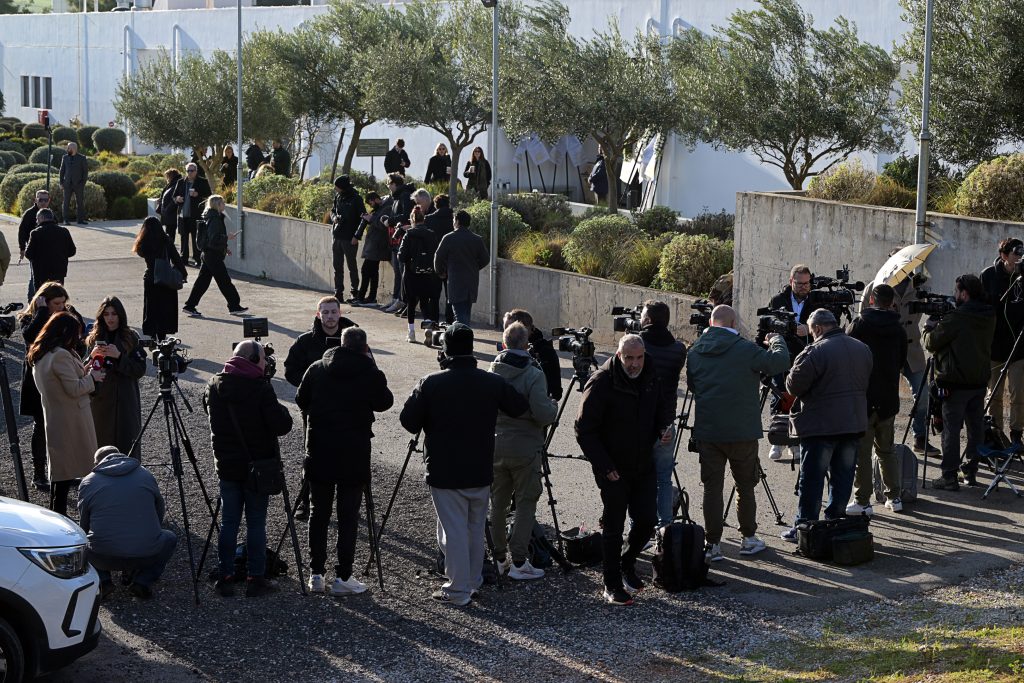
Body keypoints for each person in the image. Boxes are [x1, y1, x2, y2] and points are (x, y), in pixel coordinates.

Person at [399, 324, 528, 606]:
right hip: (480, 467)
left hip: (445, 469)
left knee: (454, 528)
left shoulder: (431, 383)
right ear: (471, 348)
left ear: (445, 350)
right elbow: (518, 407)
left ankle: (457, 588)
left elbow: (408, 421)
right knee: (472, 525)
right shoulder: (489, 381)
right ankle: (471, 581)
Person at [575, 334, 673, 606]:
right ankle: (611, 583)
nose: (634, 363)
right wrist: (605, 466)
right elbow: (584, 430)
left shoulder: (651, 373)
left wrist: (663, 427)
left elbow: (662, 406)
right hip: (612, 467)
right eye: (629, 358)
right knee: (614, 523)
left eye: (639, 357)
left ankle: (626, 563)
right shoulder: (602, 381)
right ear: (618, 355)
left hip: (643, 461)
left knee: (646, 519)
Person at [687, 305, 789, 561]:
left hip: (709, 430)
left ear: (711, 322)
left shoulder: (695, 351)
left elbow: (692, 385)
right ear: (733, 322)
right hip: (742, 430)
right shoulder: (744, 349)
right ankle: (748, 538)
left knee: (712, 488)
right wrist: (776, 339)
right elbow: (779, 362)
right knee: (745, 486)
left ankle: (713, 544)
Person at [295, 327, 393, 595]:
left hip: (319, 450)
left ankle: (316, 574)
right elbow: (385, 402)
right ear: (365, 348)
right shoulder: (369, 372)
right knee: (348, 516)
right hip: (354, 453)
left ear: (340, 343)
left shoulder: (317, 368)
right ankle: (344, 576)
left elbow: (300, 399)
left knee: (318, 514)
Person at [204, 340, 293, 598]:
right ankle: (256, 578)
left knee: (229, 522)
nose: (266, 363)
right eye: (263, 358)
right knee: (256, 523)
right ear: (253, 361)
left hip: (227, 466)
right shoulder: (260, 388)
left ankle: (226, 576)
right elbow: (282, 425)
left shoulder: (214, 385)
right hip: (258, 467)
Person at [781, 309, 872, 541]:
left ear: (818, 329)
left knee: (812, 479)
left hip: (821, 426)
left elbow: (793, 386)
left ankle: (805, 526)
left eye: (812, 331)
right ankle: (835, 521)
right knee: (843, 477)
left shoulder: (814, 351)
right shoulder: (861, 348)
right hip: (853, 423)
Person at [488, 322, 558, 580]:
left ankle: (498, 557)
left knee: (498, 502)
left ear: (504, 344)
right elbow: (542, 414)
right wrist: (552, 408)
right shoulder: (533, 373)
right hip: (526, 445)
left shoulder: (492, 370)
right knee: (526, 502)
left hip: (495, 443)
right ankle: (518, 560)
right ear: (526, 344)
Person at [283, 296, 357, 520]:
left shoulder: (353, 339)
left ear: (340, 312)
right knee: (312, 457)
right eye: (325, 312)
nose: (330, 317)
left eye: (333, 312)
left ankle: (349, 502)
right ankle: (306, 502)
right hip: (315, 411)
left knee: (348, 456)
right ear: (318, 315)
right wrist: (311, 389)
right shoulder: (305, 342)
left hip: (347, 412)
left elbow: (367, 368)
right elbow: (290, 370)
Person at [924, 274, 996, 490]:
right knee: (976, 430)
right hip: (979, 381)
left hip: (954, 383)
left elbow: (932, 343)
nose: (954, 296)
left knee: (951, 431)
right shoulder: (989, 314)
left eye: (956, 292)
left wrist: (929, 327)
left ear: (964, 293)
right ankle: (971, 472)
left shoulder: (957, 317)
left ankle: (949, 476)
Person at [78, 446, 177, 600]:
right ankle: (142, 581)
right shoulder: (145, 475)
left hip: (103, 556)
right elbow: (159, 512)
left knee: (81, 542)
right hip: (146, 552)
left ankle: (104, 581)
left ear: (98, 462)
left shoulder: (89, 481)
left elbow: (83, 525)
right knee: (169, 538)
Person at [29, 311, 103, 516]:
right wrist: (94, 377)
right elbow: (74, 388)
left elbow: (65, 381)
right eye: (76, 333)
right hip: (72, 419)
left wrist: (87, 366)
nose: (78, 337)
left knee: (60, 477)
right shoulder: (61, 355)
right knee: (79, 473)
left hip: (57, 418)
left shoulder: (43, 353)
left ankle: (58, 520)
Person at [845, 284, 908, 515]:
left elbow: (846, 352)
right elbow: (901, 361)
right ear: (892, 302)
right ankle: (895, 496)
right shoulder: (898, 328)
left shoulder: (860, 323)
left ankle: (863, 500)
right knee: (886, 450)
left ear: (872, 299)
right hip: (888, 396)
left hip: (863, 395)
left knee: (862, 451)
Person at [18, 282, 79, 492]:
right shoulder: (31, 317)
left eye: (63, 302)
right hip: (40, 378)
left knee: (63, 424)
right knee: (41, 426)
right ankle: (39, 474)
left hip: (62, 373)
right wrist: (43, 311)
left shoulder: (66, 313)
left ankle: (65, 471)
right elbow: (29, 336)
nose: (61, 307)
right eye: (56, 303)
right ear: (44, 301)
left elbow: (78, 335)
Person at [638, 300, 688, 528]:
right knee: (663, 478)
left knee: (637, 477)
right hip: (667, 422)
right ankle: (665, 525)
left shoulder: (637, 346)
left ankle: (637, 525)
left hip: (639, 421)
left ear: (647, 320)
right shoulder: (678, 349)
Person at [765, 264, 820, 461]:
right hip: (782, 355)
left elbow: (829, 324)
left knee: (800, 400)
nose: (804, 287)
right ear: (791, 281)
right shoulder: (778, 300)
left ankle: (795, 442)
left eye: (807, 283)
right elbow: (768, 325)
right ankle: (777, 441)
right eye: (799, 283)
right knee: (780, 396)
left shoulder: (816, 301)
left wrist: (809, 329)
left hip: (806, 356)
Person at [86, 296, 147, 459]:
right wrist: (92, 357)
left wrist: (119, 356)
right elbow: (82, 370)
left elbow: (140, 369)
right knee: (101, 449)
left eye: (114, 314)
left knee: (128, 446)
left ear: (121, 315)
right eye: (106, 314)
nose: (110, 318)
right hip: (101, 401)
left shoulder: (131, 337)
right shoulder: (94, 337)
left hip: (125, 401)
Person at [981, 238, 1024, 445]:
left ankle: (1017, 433)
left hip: (1019, 348)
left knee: (1019, 393)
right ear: (1004, 255)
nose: (1019, 258)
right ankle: (995, 433)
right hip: (994, 347)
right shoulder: (988, 276)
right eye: (1016, 254)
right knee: (994, 394)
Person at [182, 195, 248, 317]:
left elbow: (210, 238)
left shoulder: (210, 216)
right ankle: (234, 306)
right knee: (224, 281)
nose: (224, 205)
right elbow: (214, 238)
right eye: (222, 203)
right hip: (213, 255)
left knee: (202, 282)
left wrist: (225, 247)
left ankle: (190, 306)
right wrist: (227, 237)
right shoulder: (214, 218)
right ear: (217, 205)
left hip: (208, 253)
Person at [133, 216, 189, 340]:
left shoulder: (143, 243)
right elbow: (177, 259)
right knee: (165, 309)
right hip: (165, 278)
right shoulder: (166, 240)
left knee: (151, 308)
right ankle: (162, 336)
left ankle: (152, 335)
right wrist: (183, 274)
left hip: (151, 278)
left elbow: (140, 252)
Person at [434, 210, 488, 327]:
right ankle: (464, 337)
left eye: (454, 220)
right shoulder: (477, 239)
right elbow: (485, 259)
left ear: (457, 221)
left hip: (455, 281)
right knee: (465, 312)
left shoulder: (449, 238)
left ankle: (463, 340)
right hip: (471, 282)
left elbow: (438, 257)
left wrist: (440, 272)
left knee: (460, 316)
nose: (453, 223)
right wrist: (474, 268)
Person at [398, 206, 441, 342]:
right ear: (423, 219)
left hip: (411, 274)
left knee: (411, 303)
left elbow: (401, 256)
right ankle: (428, 325)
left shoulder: (409, 234)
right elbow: (436, 253)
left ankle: (411, 333)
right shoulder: (431, 234)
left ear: (412, 220)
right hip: (428, 274)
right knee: (424, 302)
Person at [502, 308, 562, 400]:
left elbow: (555, 393)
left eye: (510, 329)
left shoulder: (545, 352)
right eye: (505, 329)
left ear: (524, 328)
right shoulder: (510, 347)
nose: (506, 334)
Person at [381, 174, 416, 314]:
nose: (388, 187)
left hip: (402, 239)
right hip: (395, 240)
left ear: (395, 184)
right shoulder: (397, 197)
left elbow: (407, 216)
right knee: (397, 272)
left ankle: (403, 299)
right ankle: (397, 298)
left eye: (389, 184)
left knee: (402, 272)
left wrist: (390, 221)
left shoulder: (405, 196)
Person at [330, 176, 364, 303]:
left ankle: (354, 291)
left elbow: (363, 218)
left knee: (352, 266)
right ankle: (338, 292)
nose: (335, 189)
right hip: (337, 236)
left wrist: (357, 236)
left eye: (337, 186)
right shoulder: (338, 197)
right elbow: (332, 211)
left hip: (349, 238)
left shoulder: (356, 199)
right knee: (337, 266)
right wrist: (334, 218)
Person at [352, 191, 390, 307]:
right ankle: (369, 297)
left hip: (378, 245)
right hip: (374, 244)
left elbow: (384, 225)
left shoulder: (387, 207)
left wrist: (371, 219)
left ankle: (362, 297)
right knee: (372, 272)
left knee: (366, 270)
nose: (371, 206)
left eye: (371, 203)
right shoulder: (380, 208)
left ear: (376, 199)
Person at [173, 162, 212, 266]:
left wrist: (197, 195)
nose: (190, 173)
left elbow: (209, 196)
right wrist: (177, 199)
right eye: (188, 171)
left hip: (196, 215)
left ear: (196, 171)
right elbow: (174, 196)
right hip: (182, 215)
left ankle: (198, 259)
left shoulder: (202, 182)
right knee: (183, 238)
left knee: (196, 238)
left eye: (192, 171)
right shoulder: (181, 182)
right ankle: (184, 258)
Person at [25, 208, 76, 286]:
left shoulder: (36, 233)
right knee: (57, 295)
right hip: (59, 272)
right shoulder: (64, 231)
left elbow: (28, 254)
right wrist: (61, 255)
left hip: (41, 274)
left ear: (42, 218)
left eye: (37, 219)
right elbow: (72, 251)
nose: (36, 221)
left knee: (42, 296)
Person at [17, 188, 49, 298]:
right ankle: (31, 300)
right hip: (34, 250)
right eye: (41, 200)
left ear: (49, 201)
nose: (43, 202)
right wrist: (22, 248)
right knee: (34, 276)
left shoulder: (50, 214)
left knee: (48, 276)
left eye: (46, 200)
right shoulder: (29, 214)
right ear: (35, 200)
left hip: (49, 251)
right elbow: (22, 232)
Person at [58, 142, 89, 225]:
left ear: (74, 149)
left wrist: (83, 183)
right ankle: (66, 220)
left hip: (78, 184)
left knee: (80, 202)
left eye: (69, 148)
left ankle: (80, 220)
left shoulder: (82, 158)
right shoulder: (65, 157)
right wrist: (61, 182)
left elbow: (85, 172)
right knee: (66, 202)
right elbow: (62, 171)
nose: (67, 149)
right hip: (67, 184)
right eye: (67, 148)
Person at [158, 168, 183, 242]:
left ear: (171, 176)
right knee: (169, 233)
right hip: (169, 214)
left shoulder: (176, 184)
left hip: (171, 214)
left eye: (167, 176)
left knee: (170, 234)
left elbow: (173, 199)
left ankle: (169, 251)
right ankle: (169, 250)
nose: (166, 178)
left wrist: (166, 210)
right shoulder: (171, 184)